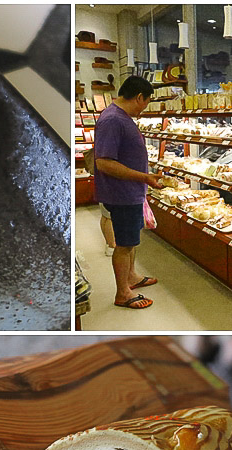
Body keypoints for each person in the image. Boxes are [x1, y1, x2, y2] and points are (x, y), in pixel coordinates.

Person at [94, 75, 163, 309]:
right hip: (121, 194)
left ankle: (131, 277)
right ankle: (123, 293)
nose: (144, 108)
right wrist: (144, 177)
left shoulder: (119, 117)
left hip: (130, 192)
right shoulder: (113, 120)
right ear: (139, 96)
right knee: (123, 244)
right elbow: (103, 162)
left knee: (130, 241)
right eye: (146, 102)